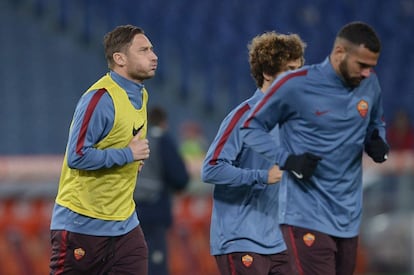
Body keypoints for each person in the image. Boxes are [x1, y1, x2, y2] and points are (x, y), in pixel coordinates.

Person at [241, 21, 389, 275]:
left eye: (371, 66)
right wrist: (287, 160)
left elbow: (375, 123)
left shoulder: (370, 84)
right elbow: (251, 128)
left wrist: (377, 140)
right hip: (305, 215)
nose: (366, 72)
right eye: (361, 65)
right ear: (340, 52)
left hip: (348, 218)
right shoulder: (295, 85)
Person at [49, 24, 158, 275]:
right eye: (143, 50)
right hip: (82, 224)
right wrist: (127, 155)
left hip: (125, 224)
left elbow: (119, 143)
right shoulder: (100, 99)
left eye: (152, 49)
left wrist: (130, 161)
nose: (153, 56)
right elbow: (77, 155)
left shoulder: (141, 95)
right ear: (120, 59)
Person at [201, 31, 306, 275]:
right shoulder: (242, 117)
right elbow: (211, 168)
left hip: (281, 242)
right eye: (290, 70)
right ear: (268, 73)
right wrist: (261, 176)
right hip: (241, 240)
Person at [134, 106, 190, 275]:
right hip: (155, 209)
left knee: (134, 260)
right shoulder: (162, 140)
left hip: (129, 211)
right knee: (155, 263)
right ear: (164, 122)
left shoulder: (136, 139)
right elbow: (180, 177)